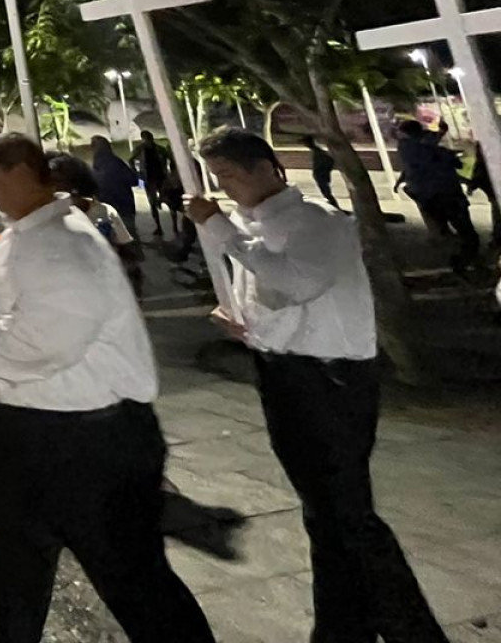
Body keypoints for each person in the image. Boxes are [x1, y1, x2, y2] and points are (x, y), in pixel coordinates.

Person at [189, 128, 449, 643]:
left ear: (269, 169)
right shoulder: (254, 227)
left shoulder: (315, 225)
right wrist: (245, 323)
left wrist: (223, 232)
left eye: (232, 175)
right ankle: (341, 627)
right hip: (285, 374)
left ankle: (411, 631)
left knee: (347, 517)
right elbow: (278, 303)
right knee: (325, 516)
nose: (226, 187)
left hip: (328, 381)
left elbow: (299, 281)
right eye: (218, 177)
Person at [0, 133, 213, 643]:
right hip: (33, 435)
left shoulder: (65, 244)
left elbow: (48, 332)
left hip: (85, 445)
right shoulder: (27, 233)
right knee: (14, 566)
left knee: (131, 577)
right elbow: (22, 296)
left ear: (22, 174)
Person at [46, 152, 143, 296]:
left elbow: (125, 250)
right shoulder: (48, 220)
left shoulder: (104, 211)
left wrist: (132, 282)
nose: (52, 188)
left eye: (57, 182)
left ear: (75, 183)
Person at [395, 118, 479, 273]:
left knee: (447, 230)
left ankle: (460, 259)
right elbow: (448, 161)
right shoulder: (429, 152)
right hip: (446, 194)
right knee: (467, 233)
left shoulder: (406, 148)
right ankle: (462, 262)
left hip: (428, 195)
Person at [88, 135, 140, 240]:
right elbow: (134, 181)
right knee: (130, 239)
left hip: (106, 211)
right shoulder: (117, 163)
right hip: (125, 206)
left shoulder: (94, 168)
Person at [131, 130, 179, 237]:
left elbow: (170, 160)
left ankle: (173, 226)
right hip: (149, 178)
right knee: (153, 203)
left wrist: (170, 172)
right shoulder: (141, 149)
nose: (148, 140)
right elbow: (131, 160)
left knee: (169, 201)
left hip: (161, 178)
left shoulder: (159, 149)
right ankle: (160, 226)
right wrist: (137, 172)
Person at [303, 134, 345, 211]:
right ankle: (334, 206)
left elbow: (330, 161)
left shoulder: (319, 152)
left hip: (322, 175)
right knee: (325, 192)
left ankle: (335, 207)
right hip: (320, 175)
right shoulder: (316, 152)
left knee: (326, 193)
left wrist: (324, 171)